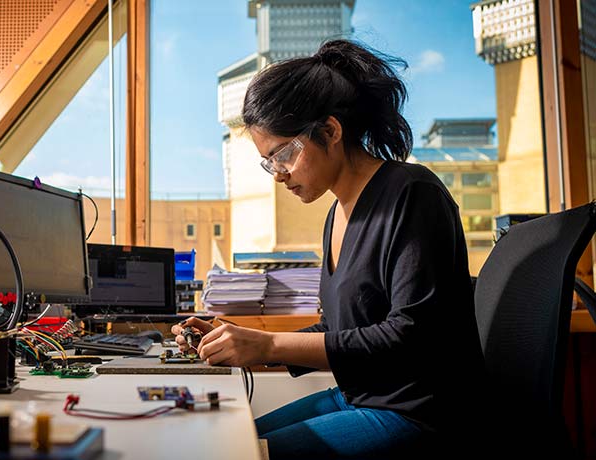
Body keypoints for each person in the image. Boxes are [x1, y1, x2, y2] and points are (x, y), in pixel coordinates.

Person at [172, 39, 485, 459]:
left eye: (283, 154)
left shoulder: (413, 194)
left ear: (331, 131)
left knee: (235, 453)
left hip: (419, 413)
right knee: (227, 439)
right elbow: (340, 331)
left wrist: (266, 347)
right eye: (269, 162)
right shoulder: (336, 214)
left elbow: (410, 337)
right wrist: (239, 342)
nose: (278, 174)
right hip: (361, 396)